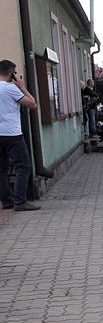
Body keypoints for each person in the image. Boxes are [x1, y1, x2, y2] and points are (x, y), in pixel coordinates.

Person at [0, 60, 40, 211]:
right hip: (12, 133)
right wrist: (22, 87)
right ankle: (20, 201)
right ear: (11, 73)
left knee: (1, 169)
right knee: (23, 166)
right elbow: (32, 104)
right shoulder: (10, 89)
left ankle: (6, 200)